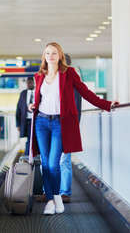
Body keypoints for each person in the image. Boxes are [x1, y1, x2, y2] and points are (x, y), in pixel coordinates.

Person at [29, 42, 118, 215]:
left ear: (60, 55)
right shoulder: (39, 75)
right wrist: (32, 106)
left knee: (54, 163)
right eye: (47, 53)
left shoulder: (68, 73)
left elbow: (85, 92)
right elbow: (39, 99)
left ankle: (55, 198)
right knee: (45, 163)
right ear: (44, 56)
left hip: (59, 124)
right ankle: (51, 200)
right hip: (41, 121)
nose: (50, 56)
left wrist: (106, 104)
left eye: (54, 53)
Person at [60, 54, 82, 203]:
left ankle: (65, 193)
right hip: (51, 126)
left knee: (64, 160)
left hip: (65, 126)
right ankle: (50, 191)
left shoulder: (72, 81)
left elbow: (76, 107)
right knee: (49, 161)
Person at [16, 77, 35, 155]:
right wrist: (18, 124)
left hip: (35, 120)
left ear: (33, 83)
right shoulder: (23, 93)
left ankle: (28, 154)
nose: (28, 84)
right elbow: (18, 109)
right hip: (25, 120)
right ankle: (28, 155)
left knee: (32, 139)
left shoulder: (37, 92)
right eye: (27, 83)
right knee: (29, 139)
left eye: (30, 82)